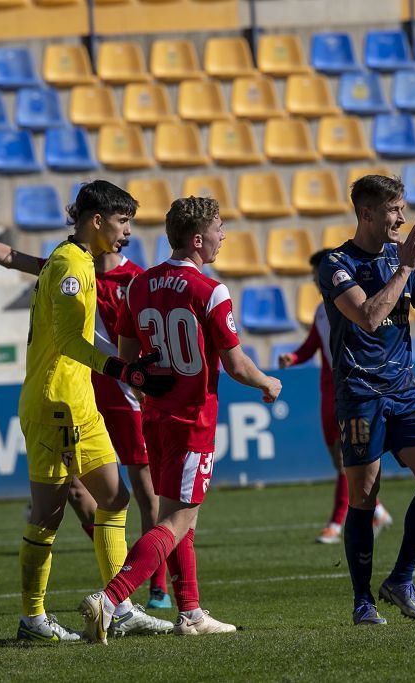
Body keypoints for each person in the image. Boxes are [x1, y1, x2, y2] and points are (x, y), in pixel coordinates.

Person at [0, 180, 175, 643]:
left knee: (114, 499)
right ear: (96, 221)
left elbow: (18, 263)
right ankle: (32, 619)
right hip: (57, 404)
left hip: (79, 401)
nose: (127, 231)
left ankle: (121, 607)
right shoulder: (71, 266)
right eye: (122, 220)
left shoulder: (72, 258)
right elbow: (71, 341)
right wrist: (122, 370)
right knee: (48, 516)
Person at [79, 195, 282, 643]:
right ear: (197, 239)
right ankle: (111, 599)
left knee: (176, 515)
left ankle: (189, 612)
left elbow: (129, 361)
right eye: (218, 229)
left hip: (155, 418)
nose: (223, 236)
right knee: (177, 521)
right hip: (193, 420)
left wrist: (151, 387)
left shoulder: (139, 285)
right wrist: (267, 382)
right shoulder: (210, 291)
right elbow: (236, 365)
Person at [317, 174, 415, 626]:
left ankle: (401, 579)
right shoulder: (338, 263)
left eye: (403, 207)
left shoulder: (403, 259)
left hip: (404, 388)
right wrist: (404, 269)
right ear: (367, 213)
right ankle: (363, 601)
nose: (402, 217)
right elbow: (369, 317)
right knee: (364, 497)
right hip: (359, 392)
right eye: (394, 210)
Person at [278, 249, 392, 545]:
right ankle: (377, 510)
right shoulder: (320, 310)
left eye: (319, 274)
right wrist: (293, 356)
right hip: (328, 390)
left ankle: (335, 523)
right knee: (337, 458)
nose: (317, 280)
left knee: (344, 459)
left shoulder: (354, 303)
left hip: (352, 390)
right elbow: (313, 344)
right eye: (314, 276)